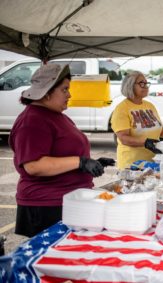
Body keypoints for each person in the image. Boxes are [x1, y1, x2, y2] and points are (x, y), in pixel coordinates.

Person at [9, 63, 115, 238]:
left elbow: (62, 154)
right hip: (47, 206)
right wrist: (80, 162)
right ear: (47, 91)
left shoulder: (55, 115)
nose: (69, 94)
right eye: (64, 89)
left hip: (69, 201)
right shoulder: (32, 120)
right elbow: (34, 165)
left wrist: (89, 162)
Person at [111, 71, 163, 169]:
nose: (146, 86)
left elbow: (159, 131)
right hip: (132, 165)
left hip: (152, 162)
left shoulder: (149, 106)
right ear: (130, 86)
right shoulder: (122, 108)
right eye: (141, 83)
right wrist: (145, 142)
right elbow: (124, 138)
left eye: (146, 83)